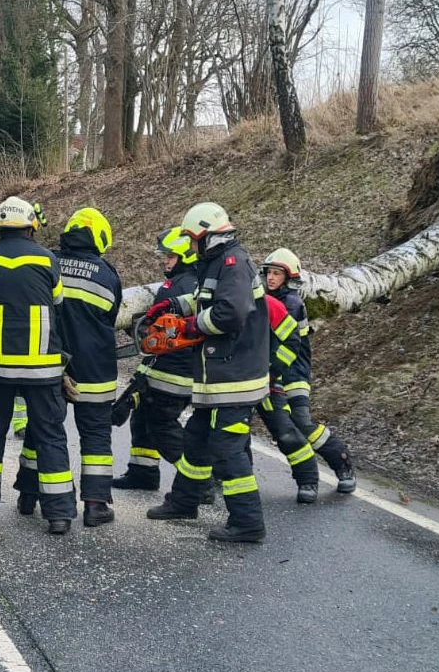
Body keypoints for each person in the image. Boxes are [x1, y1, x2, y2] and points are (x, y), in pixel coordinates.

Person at [146, 203, 270, 543]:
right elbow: (206, 299)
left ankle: (248, 522)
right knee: (196, 437)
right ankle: (185, 501)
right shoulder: (216, 263)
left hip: (236, 377)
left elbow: (230, 313)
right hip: (219, 376)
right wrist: (172, 306)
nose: (190, 246)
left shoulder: (234, 263)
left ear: (208, 236)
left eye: (192, 239)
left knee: (227, 449)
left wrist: (187, 325)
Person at [0, 196, 77, 534]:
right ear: (31, 226)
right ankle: (60, 514)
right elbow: (58, 300)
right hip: (42, 368)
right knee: (51, 435)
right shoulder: (47, 259)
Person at [14, 208, 121, 527]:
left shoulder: (50, 263)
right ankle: (95, 505)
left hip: (52, 365)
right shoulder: (107, 274)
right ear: (101, 239)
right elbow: (112, 317)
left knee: (40, 430)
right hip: (96, 369)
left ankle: (28, 496)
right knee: (96, 437)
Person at [262, 248, 356, 493]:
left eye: (276, 274)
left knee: (302, 422)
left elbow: (285, 344)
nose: (271, 278)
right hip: (271, 370)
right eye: (269, 273)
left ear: (289, 278)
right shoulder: (264, 298)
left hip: (293, 372)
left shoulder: (291, 304)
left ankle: (342, 462)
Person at [112, 227, 197, 492]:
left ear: (185, 256)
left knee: (162, 424)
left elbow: (159, 334)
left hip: (172, 371)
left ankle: (196, 481)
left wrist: (140, 331)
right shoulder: (197, 283)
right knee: (142, 417)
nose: (165, 261)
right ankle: (143, 472)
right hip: (174, 368)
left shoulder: (176, 287)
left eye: (170, 257)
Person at [255, 291, 320, 502]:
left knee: (285, 431)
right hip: (233, 382)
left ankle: (308, 479)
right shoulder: (220, 302)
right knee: (227, 434)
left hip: (266, 382)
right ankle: (225, 476)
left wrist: (273, 371)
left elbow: (292, 340)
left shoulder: (269, 305)